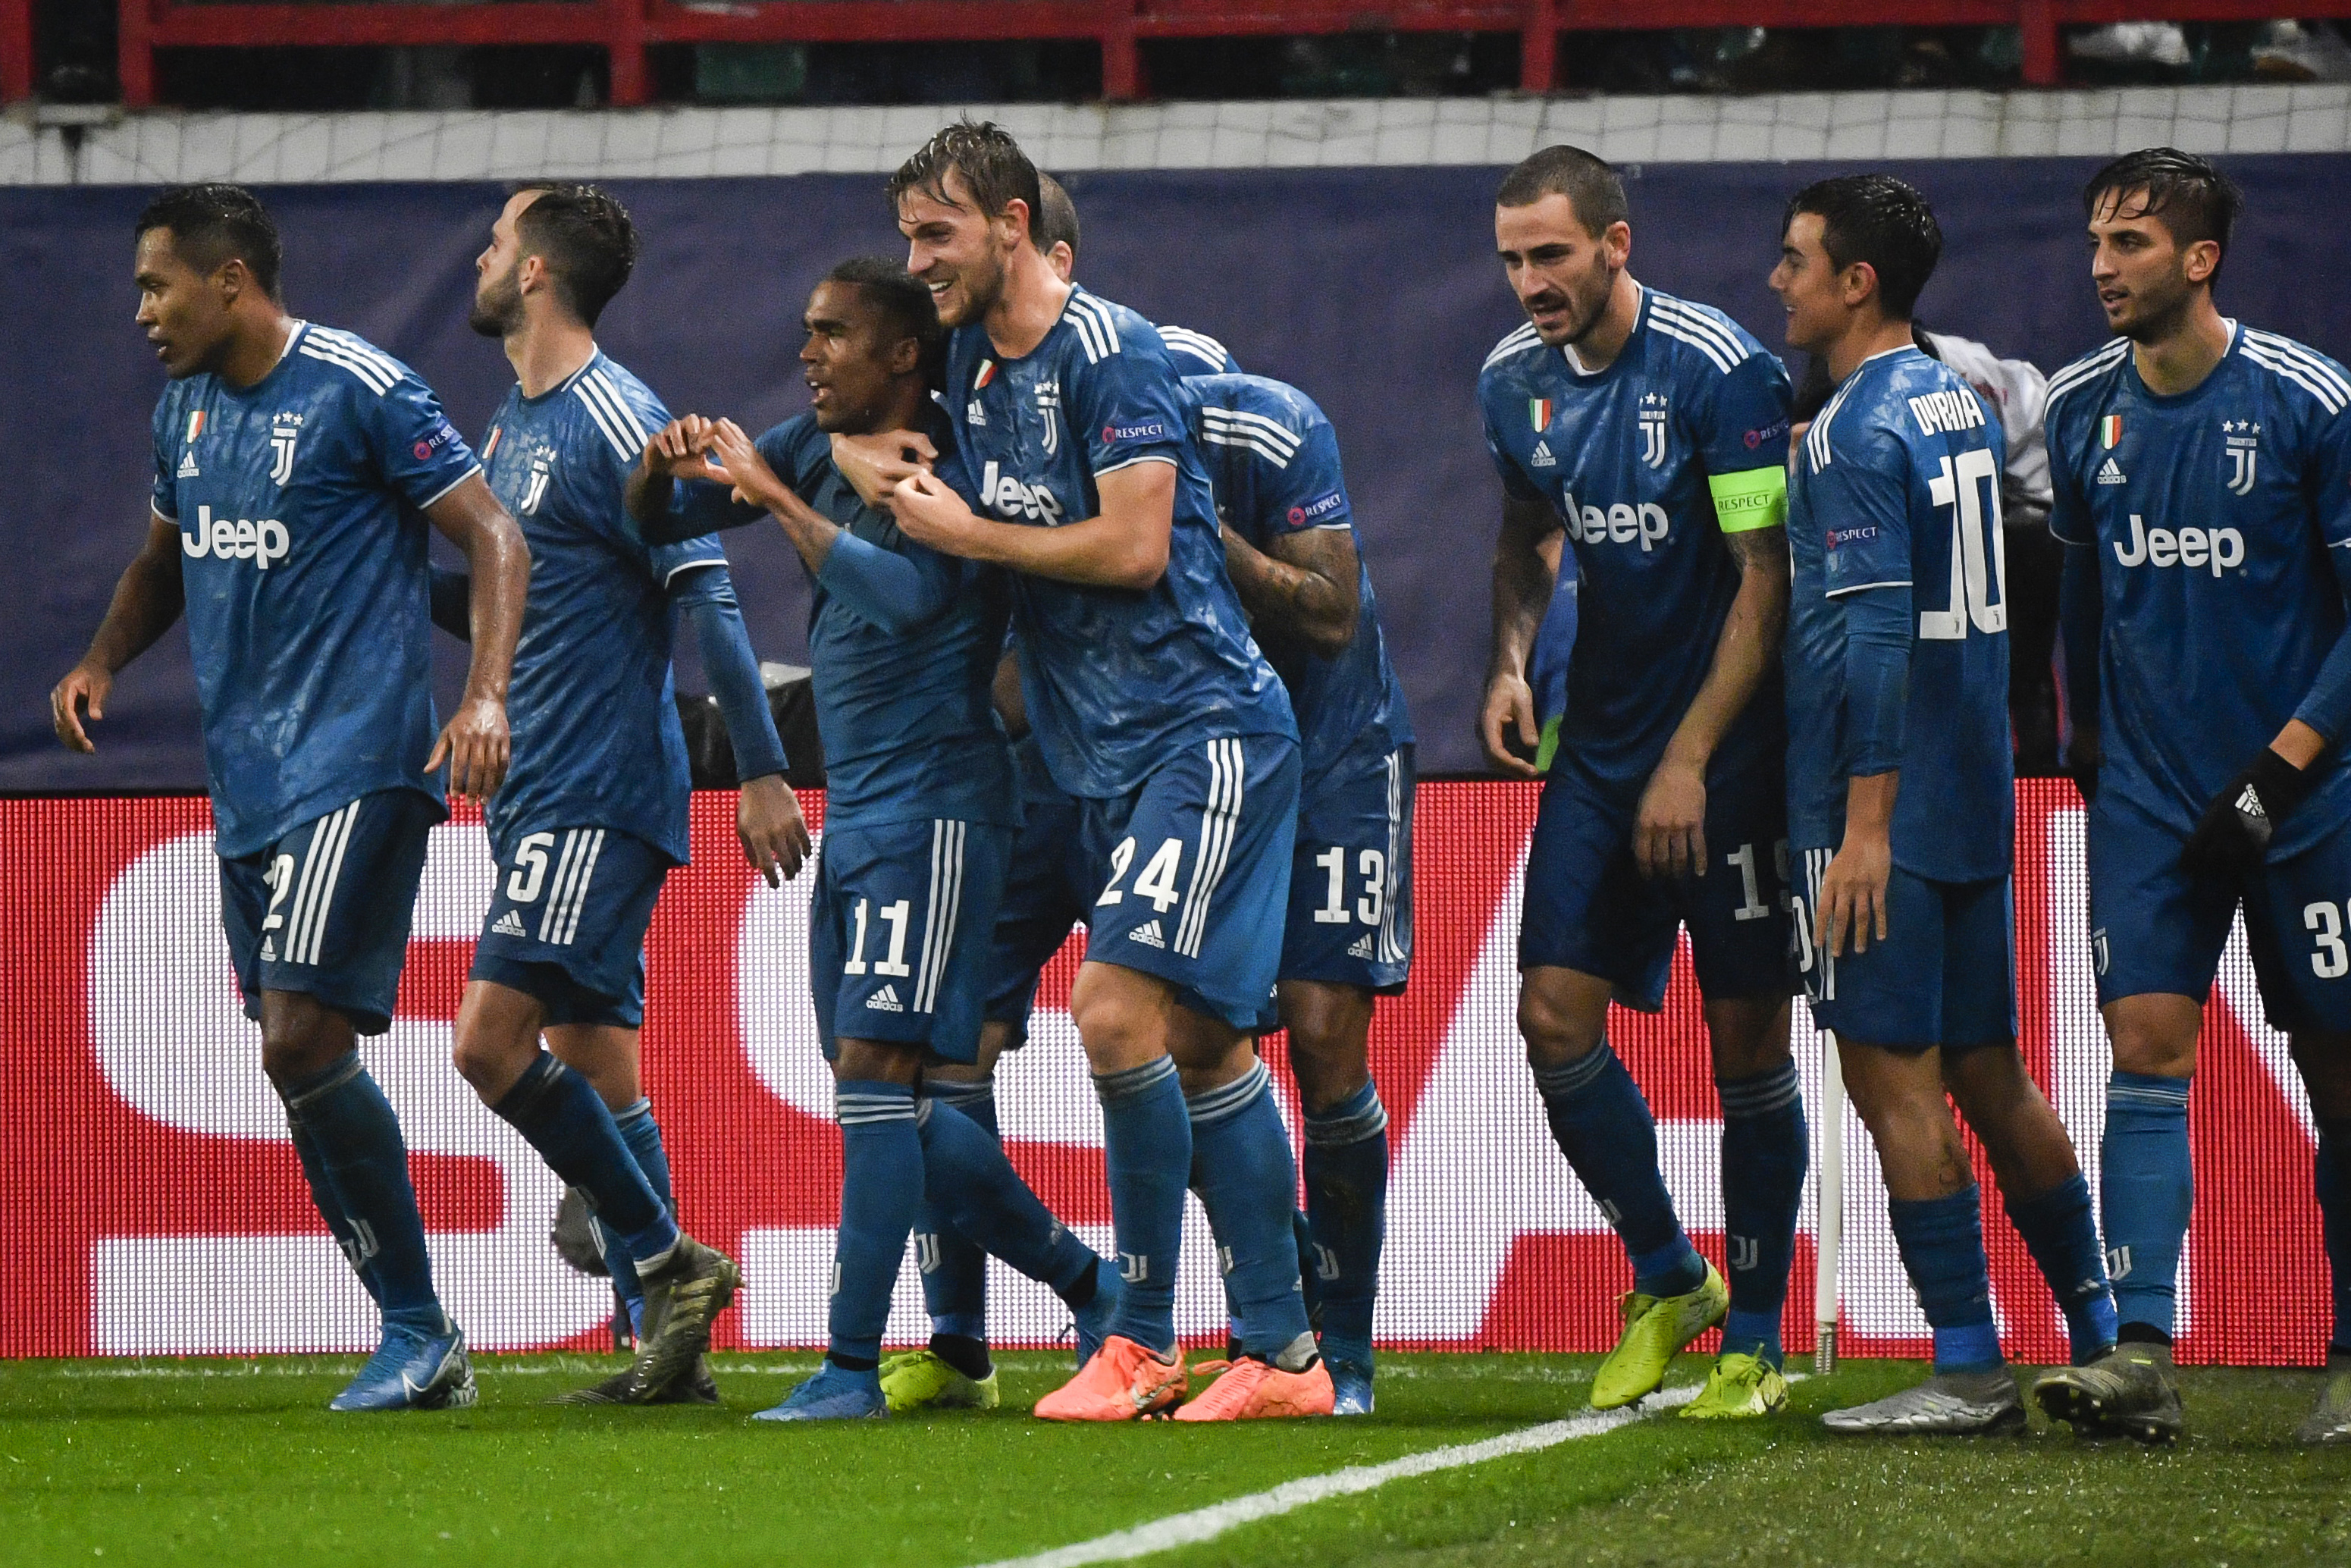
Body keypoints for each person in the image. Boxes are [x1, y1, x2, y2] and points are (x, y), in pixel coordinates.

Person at [834, 120, 1328, 1422]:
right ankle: (1285, 1356)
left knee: (1113, 1012)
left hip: (1204, 731)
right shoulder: (972, 377)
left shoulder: (1116, 355)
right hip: (1102, 757)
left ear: (1008, 222)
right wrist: (831, 463)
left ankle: (1146, 1336)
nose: (918, 260)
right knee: (1212, 1043)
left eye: (935, 234)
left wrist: (969, 533)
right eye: (906, 237)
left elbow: (1136, 550)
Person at [49, 183, 529, 1411]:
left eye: (159, 285)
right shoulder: (185, 412)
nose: (144, 312)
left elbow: (493, 536)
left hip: (361, 764)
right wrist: (104, 659)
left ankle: (422, 1329)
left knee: (297, 1035)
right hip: (249, 783)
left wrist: (481, 699)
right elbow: (163, 563)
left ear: (229, 281)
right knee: (294, 1057)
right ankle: (427, 1334)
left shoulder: (359, 387)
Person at [625, 257, 1124, 1421]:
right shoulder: (814, 442)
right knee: (912, 1103)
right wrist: (663, 478)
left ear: (901, 354)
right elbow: (668, 521)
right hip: (866, 809)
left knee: (875, 1077)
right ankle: (1087, 1286)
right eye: (805, 331)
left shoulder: (951, 465)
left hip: (941, 811)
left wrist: (786, 495)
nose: (806, 352)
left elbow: (909, 602)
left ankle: (852, 1365)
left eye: (830, 334)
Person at [435, 182, 803, 1405]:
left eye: (496, 243)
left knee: (489, 1048)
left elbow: (709, 598)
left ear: (535, 271)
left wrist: (758, 770)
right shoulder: (512, 422)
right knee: (595, 1065)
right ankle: (670, 1356)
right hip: (536, 785)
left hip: (599, 783)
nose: (481, 259)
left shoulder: (614, 416)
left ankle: (662, 1258)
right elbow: (518, 601)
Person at [1770, 173, 2118, 1435]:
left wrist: (1860, 830)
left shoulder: (1857, 429)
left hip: (1882, 808)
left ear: (1855, 281)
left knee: (1887, 1074)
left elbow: (1872, 644)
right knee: (1990, 1068)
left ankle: (1967, 1365)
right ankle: (2105, 1338)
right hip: (1976, 787)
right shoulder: (1954, 403)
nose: (1778, 280)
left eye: (1797, 261)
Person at [1478, 144, 1805, 1420]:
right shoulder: (1513, 385)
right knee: (1551, 1017)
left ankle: (1759, 1340)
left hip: (1729, 756)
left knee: (1744, 1046)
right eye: (1510, 259)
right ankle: (1671, 1277)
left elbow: (1763, 577)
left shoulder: (1718, 371)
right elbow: (1523, 536)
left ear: (1617, 243)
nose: (1528, 282)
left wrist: (1692, 759)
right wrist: (1510, 665)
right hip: (1600, 749)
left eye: (1550, 253)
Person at [2033, 148, 2351, 1446]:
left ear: (2200, 259)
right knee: (2144, 1051)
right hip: (2151, 806)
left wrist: (2281, 771)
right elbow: (2076, 604)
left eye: (2132, 244)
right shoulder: (2074, 411)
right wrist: (2085, 748)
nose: (2103, 267)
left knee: (2338, 1075)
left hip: (2309, 796)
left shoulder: (2305, 403)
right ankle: (2140, 1353)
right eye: (2096, 241)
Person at [1187, 368, 1415, 1416]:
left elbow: (1327, 614)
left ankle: (1349, 1343)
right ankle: (1278, 1313)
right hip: (1199, 762)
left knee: (1323, 1032)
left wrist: (1208, 537)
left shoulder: (1266, 429)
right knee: (1180, 1042)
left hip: (1333, 753)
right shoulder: (1080, 460)